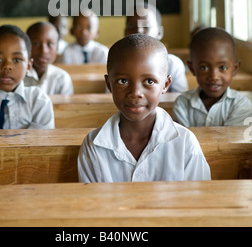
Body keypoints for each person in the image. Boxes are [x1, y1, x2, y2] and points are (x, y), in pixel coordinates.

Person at [77, 34, 211, 182]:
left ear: (166, 85)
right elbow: (93, 202)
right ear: (109, 85)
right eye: (122, 81)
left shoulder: (185, 143)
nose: (135, 93)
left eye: (149, 81)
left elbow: (198, 201)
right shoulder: (93, 145)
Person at [173, 27, 252, 127]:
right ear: (192, 68)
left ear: (235, 69)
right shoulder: (183, 104)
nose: (214, 76)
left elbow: (231, 141)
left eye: (222, 67)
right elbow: (183, 141)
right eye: (204, 67)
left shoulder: (241, 105)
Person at [124, 4, 188, 93]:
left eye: (146, 26)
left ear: (160, 32)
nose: (138, 30)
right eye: (132, 26)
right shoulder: (120, 63)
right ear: (125, 32)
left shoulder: (172, 64)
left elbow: (179, 99)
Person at [25, 21, 73, 95]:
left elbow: (66, 106)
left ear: (57, 48)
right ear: (26, 46)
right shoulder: (18, 76)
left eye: (50, 44)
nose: (44, 51)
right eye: (36, 44)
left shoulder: (61, 78)